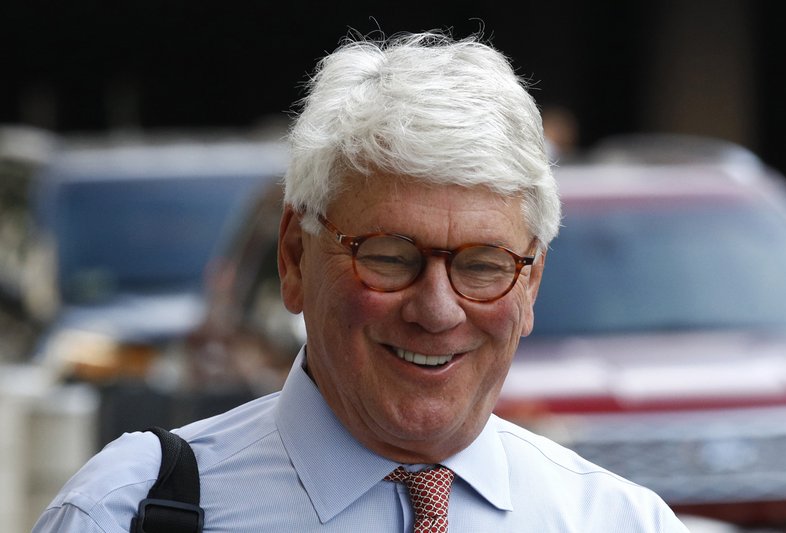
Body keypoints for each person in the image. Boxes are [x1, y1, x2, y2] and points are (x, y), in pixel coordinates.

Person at [33, 31, 689, 532]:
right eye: (391, 255)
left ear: (532, 285)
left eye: (483, 265)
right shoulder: (132, 512)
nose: (436, 310)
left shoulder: (620, 520)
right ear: (294, 257)